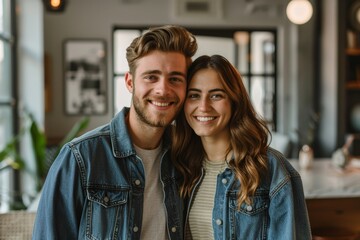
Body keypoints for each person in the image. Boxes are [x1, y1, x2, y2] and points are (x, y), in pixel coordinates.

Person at [32, 25, 197, 240]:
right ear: (130, 82)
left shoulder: (186, 155)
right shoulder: (80, 158)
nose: (163, 90)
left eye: (175, 79)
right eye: (151, 77)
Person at [171, 55, 312, 239]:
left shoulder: (272, 169)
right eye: (194, 95)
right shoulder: (179, 166)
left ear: (234, 101)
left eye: (216, 95)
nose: (203, 106)